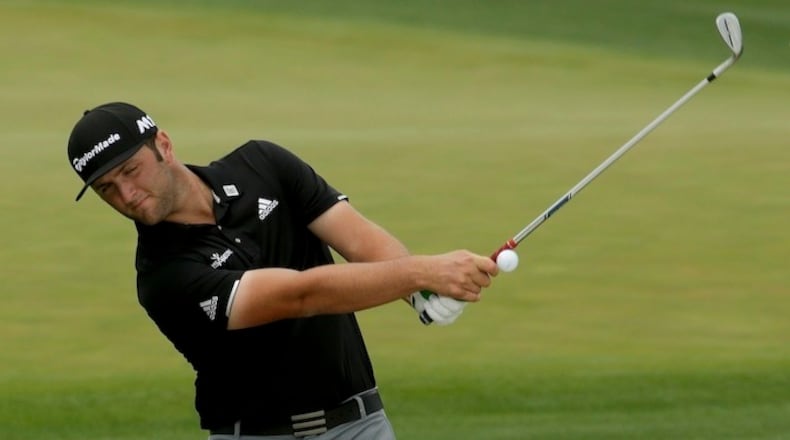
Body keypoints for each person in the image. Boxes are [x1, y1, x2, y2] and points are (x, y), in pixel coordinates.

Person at [66, 102, 498, 439]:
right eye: (107, 188)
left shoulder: (262, 165)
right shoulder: (163, 276)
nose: (126, 195)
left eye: (130, 171)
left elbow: (360, 240)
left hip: (361, 424)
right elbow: (301, 296)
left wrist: (417, 294)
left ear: (163, 145)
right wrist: (421, 274)